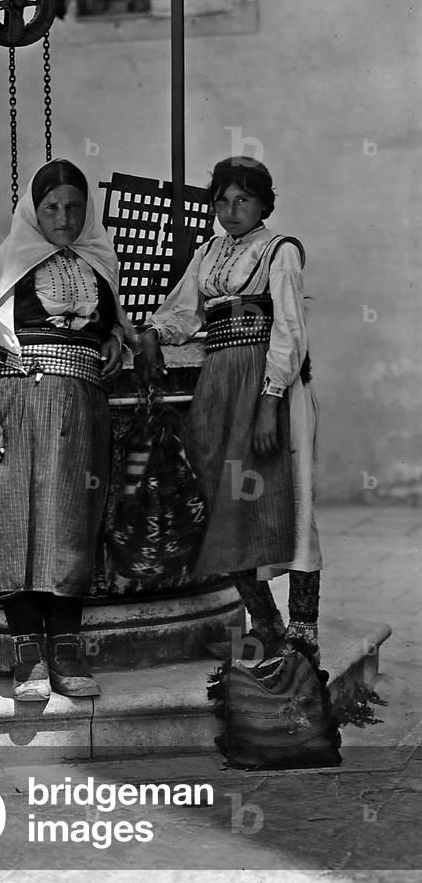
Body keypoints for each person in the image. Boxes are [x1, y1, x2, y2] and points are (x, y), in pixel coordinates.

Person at [0, 159, 135, 700]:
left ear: (89, 210)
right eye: (51, 207)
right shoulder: (9, 261)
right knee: (17, 521)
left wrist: (116, 343)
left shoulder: (101, 263)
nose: (63, 217)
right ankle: (26, 652)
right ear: (34, 210)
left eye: (74, 207)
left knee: (70, 523)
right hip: (18, 403)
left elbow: (114, 329)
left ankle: (67, 648)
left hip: (81, 410)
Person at [135, 156, 323, 663]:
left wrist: (270, 399)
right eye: (222, 200)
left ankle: (304, 632)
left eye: (243, 199)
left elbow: (290, 330)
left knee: (289, 500)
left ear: (264, 202)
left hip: (269, 386)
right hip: (220, 384)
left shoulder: (279, 252)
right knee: (225, 502)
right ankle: (265, 623)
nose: (231, 209)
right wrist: (153, 333)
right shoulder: (209, 253)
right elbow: (183, 310)